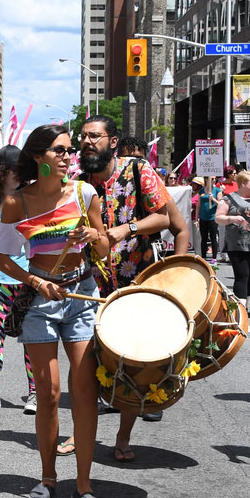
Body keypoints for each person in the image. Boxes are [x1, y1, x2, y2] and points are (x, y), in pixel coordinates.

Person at [0, 124, 110, 498]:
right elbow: (1, 258)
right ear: (39, 156)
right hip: (41, 298)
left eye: (68, 150)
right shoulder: (17, 203)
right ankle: (47, 476)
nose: (67, 156)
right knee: (48, 393)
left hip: (82, 294)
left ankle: (84, 482)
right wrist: (33, 281)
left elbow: (106, 248)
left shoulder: (84, 192)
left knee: (85, 391)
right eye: (59, 150)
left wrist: (94, 237)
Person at [73, 114, 177, 454]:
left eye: (95, 137)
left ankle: (123, 437)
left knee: (131, 361)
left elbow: (164, 217)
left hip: (137, 283)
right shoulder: (79, 182)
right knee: (87, 362)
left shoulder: (137, 170)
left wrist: (125, 229)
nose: (87, 142)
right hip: (92, 286)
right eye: (84, 137)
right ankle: (81, 433)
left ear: (113, 141)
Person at [0, 144, 37, 414]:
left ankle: (34, 393)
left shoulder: (31, 199)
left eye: (21, 170)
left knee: (31, 338)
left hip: (27, 278)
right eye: (13, 169)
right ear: (0, 172)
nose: (18, 174)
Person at [215, 171, 250, 308]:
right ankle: (241, 308)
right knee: (242, 275)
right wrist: (233, 219)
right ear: (243, 183)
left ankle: (245, 305)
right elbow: (218, 217)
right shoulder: (229, 199)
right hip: (237, 244)